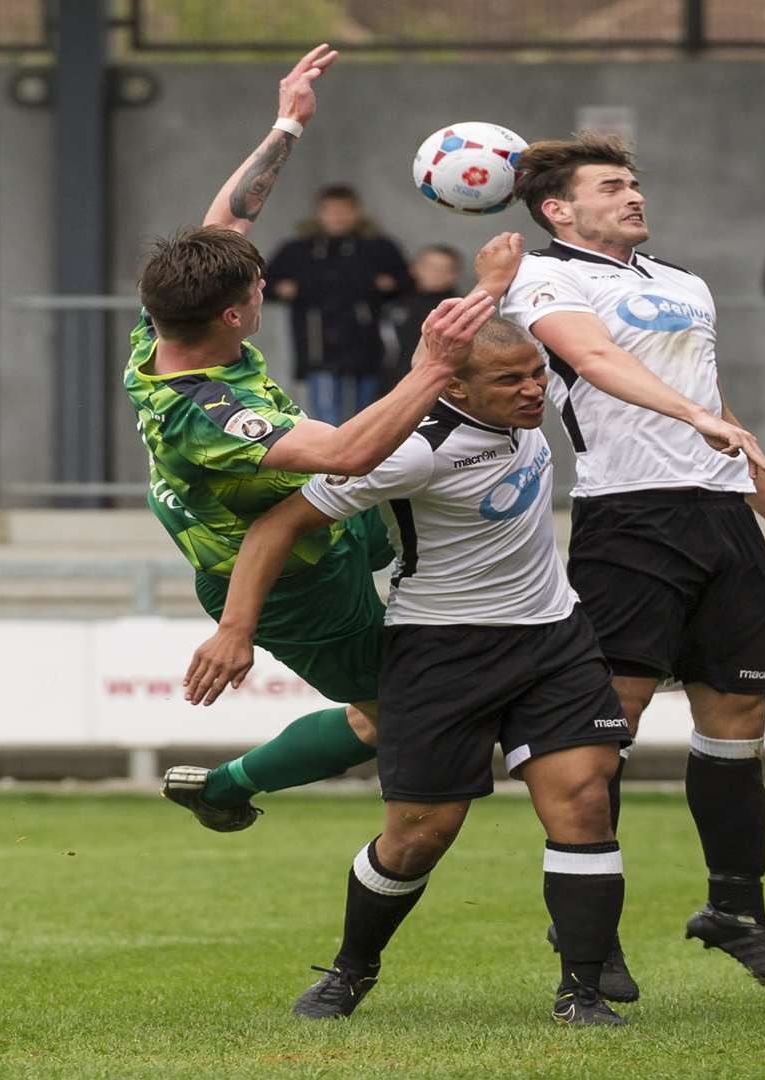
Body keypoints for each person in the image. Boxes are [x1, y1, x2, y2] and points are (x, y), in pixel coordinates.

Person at [183, 316, 632, 1027]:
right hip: (443, 651)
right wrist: (235, 629)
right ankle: (351, 969)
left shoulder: (519, 415)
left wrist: (489, 278)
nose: (532, 390)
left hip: (553, 638)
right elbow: (276, 527)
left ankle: (581, 989)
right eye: (511, 380)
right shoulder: (412, 452)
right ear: (453, 386)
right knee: (420, 833)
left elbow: (463, 335)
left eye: (537, 373)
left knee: (583, 801)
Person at [125, 45, 506, 833]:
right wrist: (435, 366)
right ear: (232, 315)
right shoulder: (206, 417)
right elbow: (344, 455)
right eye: (256, 287)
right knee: (392, 716)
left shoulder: (168, 317)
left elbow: (226, 223)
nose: (265, 287)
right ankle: (228, 785)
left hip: (329, 517)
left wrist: (286, 122)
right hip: (288, 579)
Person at [483, 133, 765, 998]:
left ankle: (735, 911)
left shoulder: (684, 283)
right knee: (603, 732)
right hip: (629, 519)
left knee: (739, 712)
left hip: (721, 518)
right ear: (559, 209)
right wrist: (694, 421)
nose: (633, 194)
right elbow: (592, 359)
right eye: (611, 185)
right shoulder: (544, 277)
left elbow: (712, 400)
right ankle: (590, 938)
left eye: (634, 182)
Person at [266, 184, 413, 423]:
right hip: (317, 342)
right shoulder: (297, 250)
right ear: (319, 213)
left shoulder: (378, 247)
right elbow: (264, 284)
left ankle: (362, 456)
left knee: (366, 413)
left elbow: (407, 282)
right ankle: (329, 455)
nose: (338, 216)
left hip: (365, 341)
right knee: (325, 414)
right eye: (331, 210)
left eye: (345, 210)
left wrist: (390, 284)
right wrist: (282, 289)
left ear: (357, 212)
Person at [382, 244, 463, 394]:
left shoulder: (459, 309)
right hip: (392, 383)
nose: (435, 273)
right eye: (430, 266)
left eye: (443, 269)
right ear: (414, 269)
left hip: (435, 388)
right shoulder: (396, 304)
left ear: (454, 274)